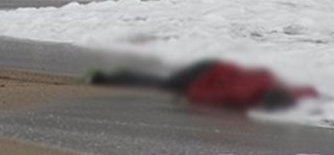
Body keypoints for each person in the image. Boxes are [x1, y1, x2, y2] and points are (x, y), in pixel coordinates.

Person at [89, 59, 318, 111]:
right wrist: (189, 95)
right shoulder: (244, 95)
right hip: (202, 76)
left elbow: (305, 91)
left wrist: (316, 96)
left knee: (165, 82)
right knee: (163, 84)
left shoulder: (270, 81)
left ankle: (117, 74)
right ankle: (107, 77)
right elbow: (206, 95)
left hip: (212, 67)